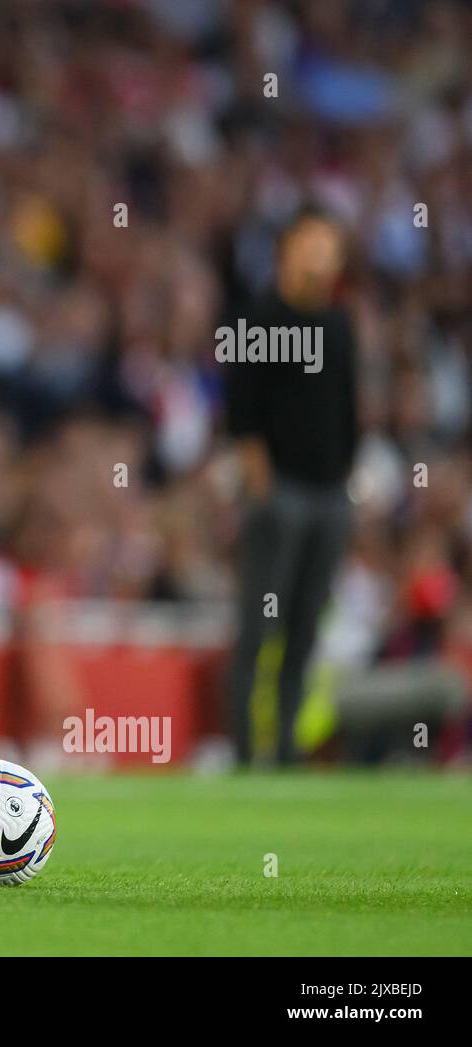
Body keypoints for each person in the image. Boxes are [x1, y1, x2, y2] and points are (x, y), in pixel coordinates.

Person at [224, 208, 359, 766]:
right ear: (287, 249)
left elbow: (350, 407)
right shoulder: (256, 318)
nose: (322, 256)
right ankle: (243, 748)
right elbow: (242, 414)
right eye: (312, 243)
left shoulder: (340, 323)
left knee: (305, 624)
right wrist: (262, 487)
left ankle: (286, 747)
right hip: (280, 493)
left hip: (331, 495)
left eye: (331, 245)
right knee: (259, 624)